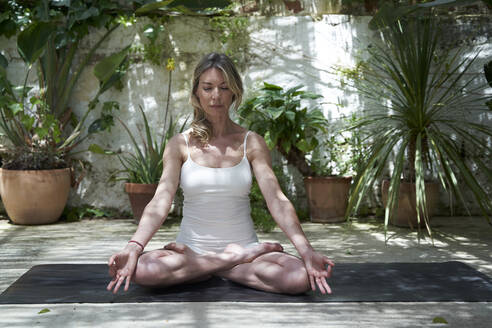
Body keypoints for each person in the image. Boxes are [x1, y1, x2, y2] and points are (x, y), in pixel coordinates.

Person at [107, 52, 334, 295]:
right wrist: (134, 246)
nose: (216, 96)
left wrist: (306, 250)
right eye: (208, 88)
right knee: (144, 270)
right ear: (196, 93)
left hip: (245, 251)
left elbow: (276, 200)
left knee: (298, 277)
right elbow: (161, 200)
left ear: (234, 92)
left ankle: (214, 267)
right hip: (189, 251)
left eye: (224, 88)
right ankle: (227, 262)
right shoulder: (179, 144)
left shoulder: (252, 142)